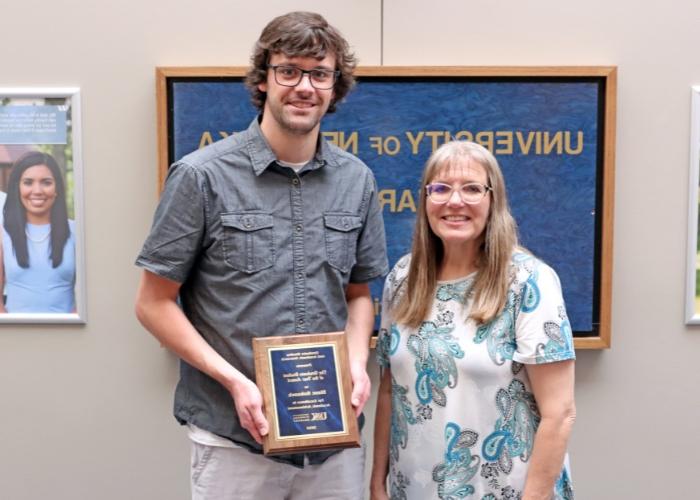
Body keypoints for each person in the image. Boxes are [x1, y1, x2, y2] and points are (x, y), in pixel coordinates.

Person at [134, 11, 388, 500]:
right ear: (264, 79)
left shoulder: (357, 180)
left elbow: (359, 294)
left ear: (336, 87)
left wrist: (356, 365)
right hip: (234, 438)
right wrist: (235, 382)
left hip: (332, 444)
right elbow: (153, 303)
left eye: (319, 74)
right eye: (288, 70)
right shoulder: (200, 176)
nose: (304, 87)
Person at [370, 141, 576, 500]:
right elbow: (390, 390)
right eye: (441, 188)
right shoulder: (403, 279)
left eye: (471, 189)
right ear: (425, 200)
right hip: (414, 488)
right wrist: (377, 483)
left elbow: (560, 414)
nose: (454, 201)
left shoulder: (528, 282)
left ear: (492, 200)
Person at [0, 151, 75, 313]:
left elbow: (87, 300)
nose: (37, 190)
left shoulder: (76, 232)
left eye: (46, 183)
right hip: (16, 334)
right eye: (28, 182)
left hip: (67, 335)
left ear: (57, 189)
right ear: (17, 188)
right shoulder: (2, 233)